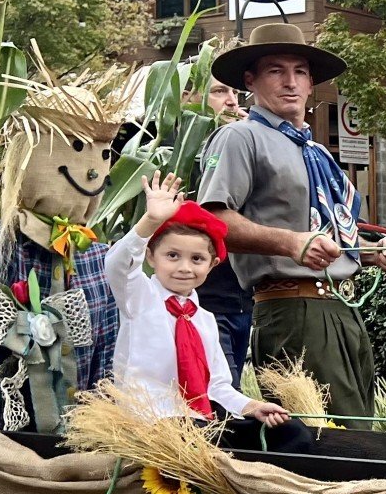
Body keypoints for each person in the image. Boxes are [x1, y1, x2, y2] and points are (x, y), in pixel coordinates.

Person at [196, 21, 386, 421]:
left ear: (312, 84)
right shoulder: (241, 137)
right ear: (250, 80)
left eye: (300, 72)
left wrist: (372, 253)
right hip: (291, 308)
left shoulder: (318, 152)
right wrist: (291, 243)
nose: (290, 82)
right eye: (276, 70)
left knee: (360, 429)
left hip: (343, 310)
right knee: (329, 442)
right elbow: (212, 220)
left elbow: (332, 237)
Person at [105, 172, 295, 441]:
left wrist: (252, 407)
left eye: (196, 258)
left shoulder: (204, 320)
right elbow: (117, 264)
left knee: (288, 433)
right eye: (172, 256)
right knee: (202, 437)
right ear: (150, 256)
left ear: (212, 264)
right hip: (150, 424)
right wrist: (151, 221)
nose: (184, 267)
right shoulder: (138, 296)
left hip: (198, 422)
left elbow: (217, 385)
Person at [189, 78, 253, 382]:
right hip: (203, 304)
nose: (232, 101)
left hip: (244, 299)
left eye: (236, 93)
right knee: (223, 402)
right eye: (219, 91)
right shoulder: (172, 153)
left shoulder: (242, 143)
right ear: (187, 96)